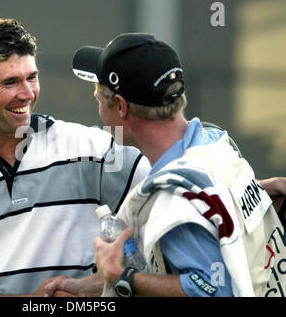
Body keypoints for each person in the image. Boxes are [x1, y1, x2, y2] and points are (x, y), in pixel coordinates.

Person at [0, 19, 152, 297]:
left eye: (31, 77)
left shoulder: (93, 148)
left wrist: (112, 280)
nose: (27, 93)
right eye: (10, 82)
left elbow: (165, 211)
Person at [50, 33, 286, 297]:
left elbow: (213, 291)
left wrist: (121, 276)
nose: (97, 105)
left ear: (120, 106)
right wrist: (97, 287)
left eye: (97, 97)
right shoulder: (214, 142)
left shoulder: (175, 200)